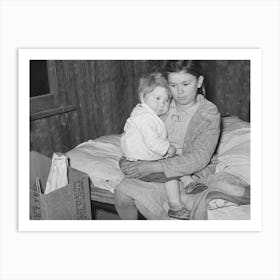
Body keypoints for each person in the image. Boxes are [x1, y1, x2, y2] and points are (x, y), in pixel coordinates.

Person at [114, 60, 221, 220]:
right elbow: (140, 133)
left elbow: (199, 158)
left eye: (186, 84)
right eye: (172, 85)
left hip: (189, 172)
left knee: (191, 206)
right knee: (122, 194)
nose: (179, 92)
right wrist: (128, 159)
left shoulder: (209, 114)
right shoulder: (162, 104)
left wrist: (151, 167)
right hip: (154, 162)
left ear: (199, 82)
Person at [121, 73, 190, 219]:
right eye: (157, 99)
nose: (162, 104)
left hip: (141, 158)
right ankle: (175, 205)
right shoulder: (145, 118)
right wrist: (168, 147)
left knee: (173, 161)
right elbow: (152, 142)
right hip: (141, 163)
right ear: (142, 97)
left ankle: (186, 179)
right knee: (170, 172)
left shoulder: (144, 114)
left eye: (166, 101)